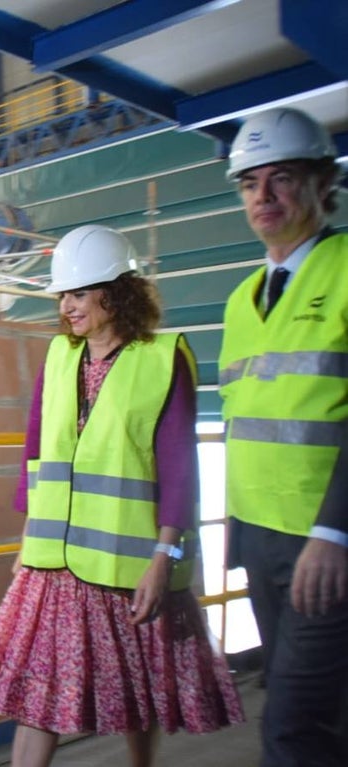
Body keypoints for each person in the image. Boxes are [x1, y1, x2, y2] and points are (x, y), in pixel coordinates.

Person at [0, 225, 243, 767]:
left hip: (129, 569)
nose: (66, 307)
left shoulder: (163, 360)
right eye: (62, 296)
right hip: (55, 571)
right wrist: (27, 542)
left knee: (137, 697)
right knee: (40, 699)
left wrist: (166, 558)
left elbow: (179, 472)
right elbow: (37, 454)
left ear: (115, 293)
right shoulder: (58, 357)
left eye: (78, 293)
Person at [218, 106, 348, 766]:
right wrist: (238, 537)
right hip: (263, 539)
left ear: (325, 183)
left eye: (281, 179)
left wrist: (335, 532)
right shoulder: (241, 299)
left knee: (291, 726)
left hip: (326, 539)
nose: (262, 197)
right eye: (249, 183)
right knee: (319, 715)